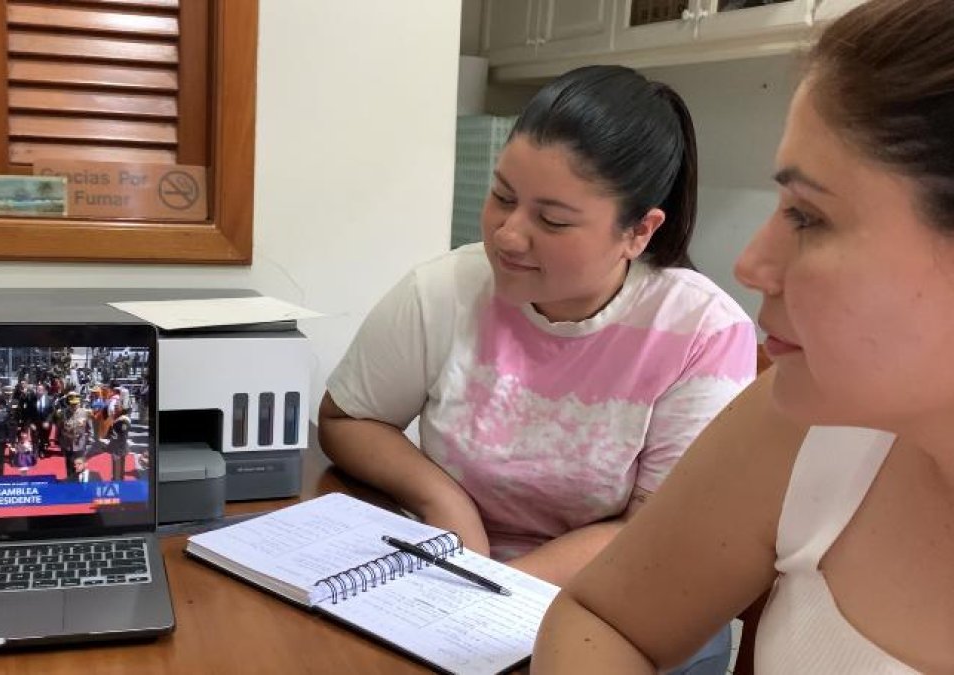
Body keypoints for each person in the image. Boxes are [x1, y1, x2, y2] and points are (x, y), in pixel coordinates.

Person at [530, 2, 954, 673]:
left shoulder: (708, 334)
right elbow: (606, 617)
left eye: (808, 216)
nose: (751, 263)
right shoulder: (808, 418)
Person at [319, 65, 755, 673]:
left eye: (552, 220)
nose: (508, 235)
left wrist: (489, 589)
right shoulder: (444, 289)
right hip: (453, 576)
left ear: (638, 231)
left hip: (624, 608)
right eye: (501, 196)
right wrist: (447, 502)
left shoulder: (701, 331)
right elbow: (347, 419)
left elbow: (657, 531)